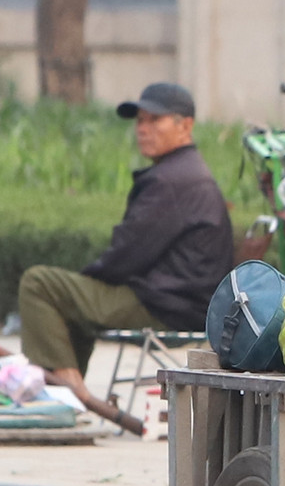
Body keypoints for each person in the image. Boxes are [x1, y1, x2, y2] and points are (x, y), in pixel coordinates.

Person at [18, 82, 232, 405]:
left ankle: (70, 394)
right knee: (70, 297)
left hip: (166, 306)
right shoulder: (186, 172)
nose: (143, 129)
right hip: (182, 302)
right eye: (140, 121)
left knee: (39, 284)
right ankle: (61, 393)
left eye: (154, 120)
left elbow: (126, 255)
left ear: (185, 125)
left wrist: (88, 279)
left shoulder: (172, 180)